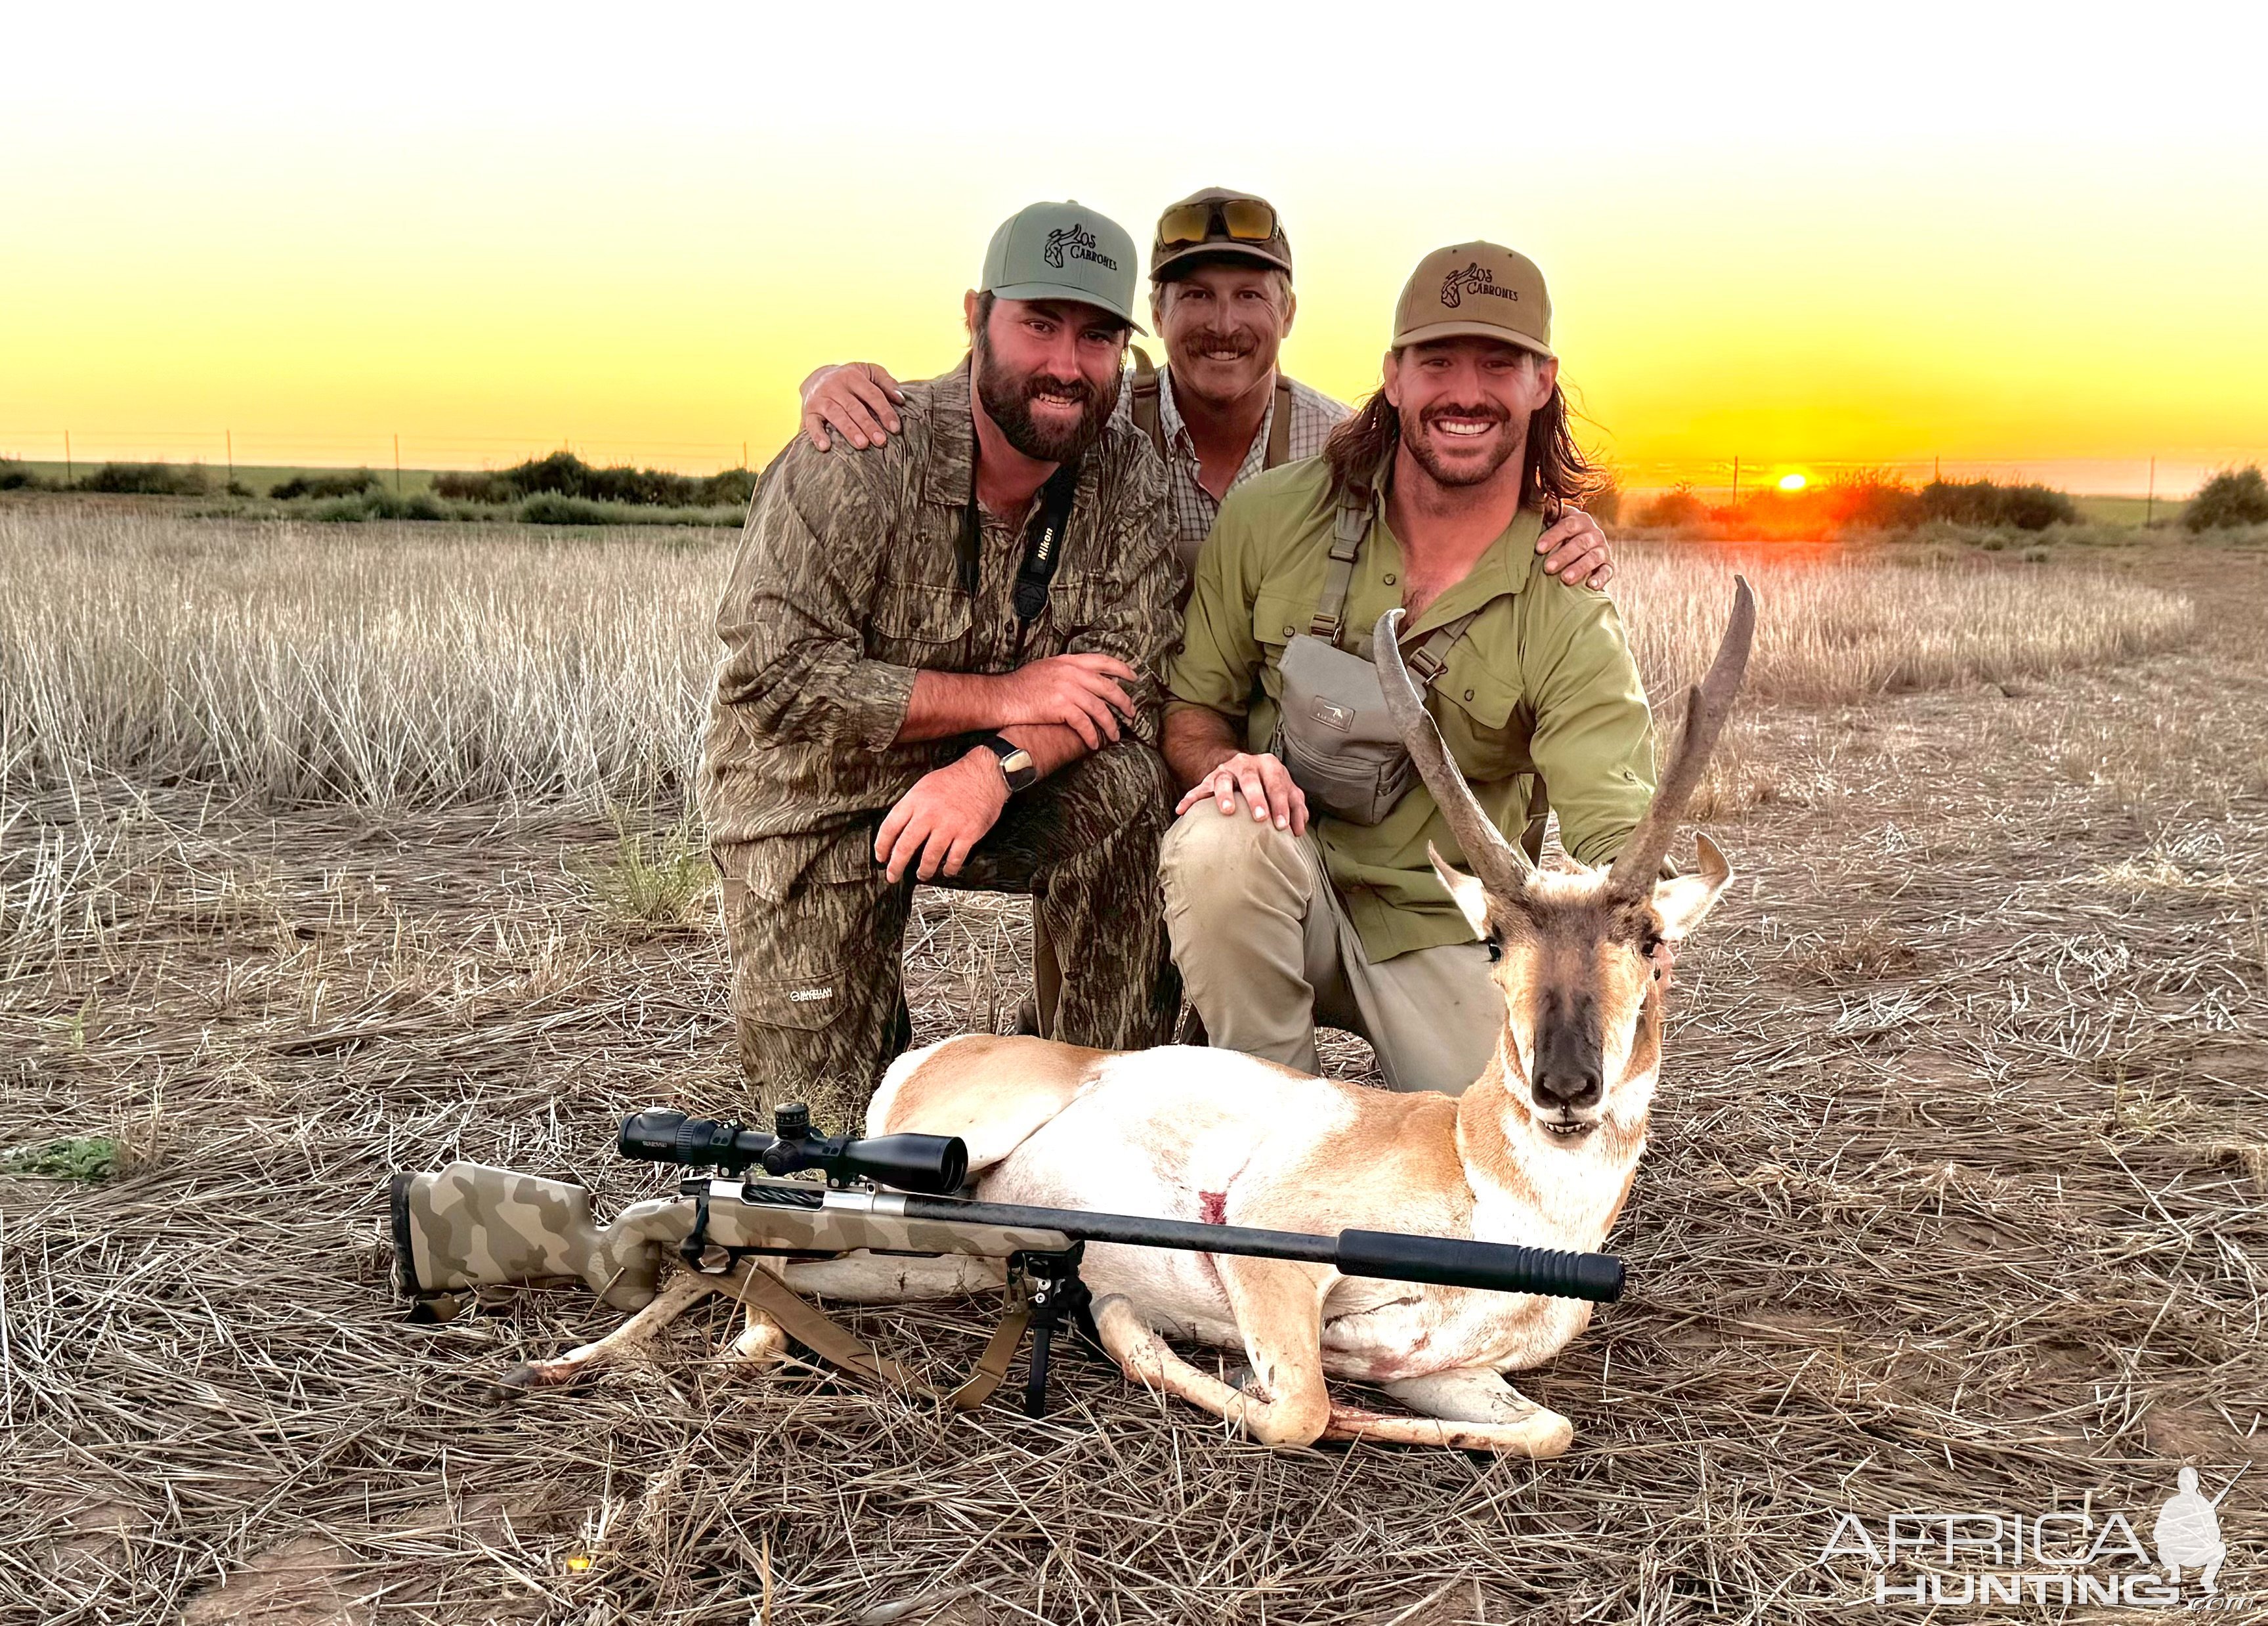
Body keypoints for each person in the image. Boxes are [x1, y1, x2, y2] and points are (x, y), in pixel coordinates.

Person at [698, 201, 1182, 1133]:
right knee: (836, 1146)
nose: (1065, 365)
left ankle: (1099, 1107)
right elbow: (774, 679)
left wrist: (988, 769)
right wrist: (1002, 699)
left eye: (1096, 336)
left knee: (1129, 784)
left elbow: (1121, 683)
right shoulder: (856, 452)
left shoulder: (1130, 473)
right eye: (1037, 324)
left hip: (998, 786)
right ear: (975, 316)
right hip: (812, 796)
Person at [1159, 242, 1659, 1094]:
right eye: (1437, 362)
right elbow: (1189, 716)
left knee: (1505, 1158)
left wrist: (1636, 916)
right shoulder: (1270, 516)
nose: (1464, 391)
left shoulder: (1563, 599)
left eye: (1496, 363)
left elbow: (1613, 820)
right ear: (1393, 376)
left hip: (1447, 930)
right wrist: (1227, 769)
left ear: (1539, 382)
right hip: (1284, 890)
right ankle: (1270, 1122)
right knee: (1218, 844)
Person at [798, 188, 1616, 591]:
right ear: (1152, 313)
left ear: (1288, 311)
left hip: (1273, 756)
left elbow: (1462, 466)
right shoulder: (1091, 418)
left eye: (1249, 295)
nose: (1221, 323)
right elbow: (990, 397)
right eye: (1194, 295)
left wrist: (1558, 527)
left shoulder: (1344, 443)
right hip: (1115, 729)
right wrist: (826, 381)